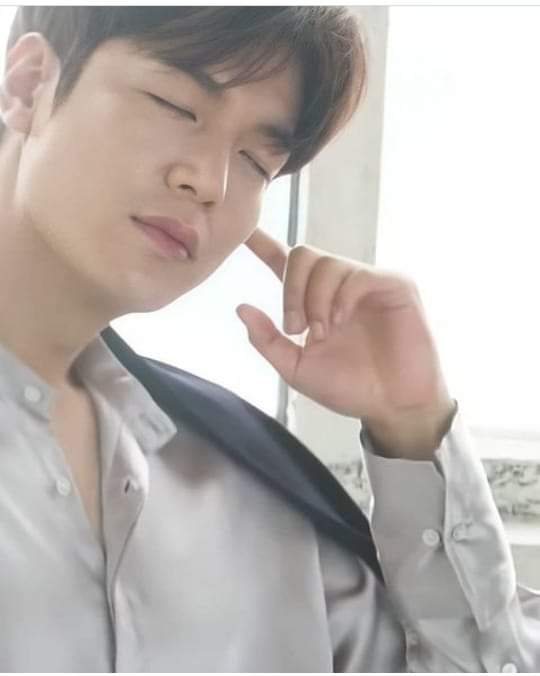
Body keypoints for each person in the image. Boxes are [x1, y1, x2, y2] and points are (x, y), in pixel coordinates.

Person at [0, 5, 537, 672]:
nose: (210, 181)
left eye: (257, 160)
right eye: (174, 105)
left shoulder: (251, 490)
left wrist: (413, 424)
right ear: (29, 84)